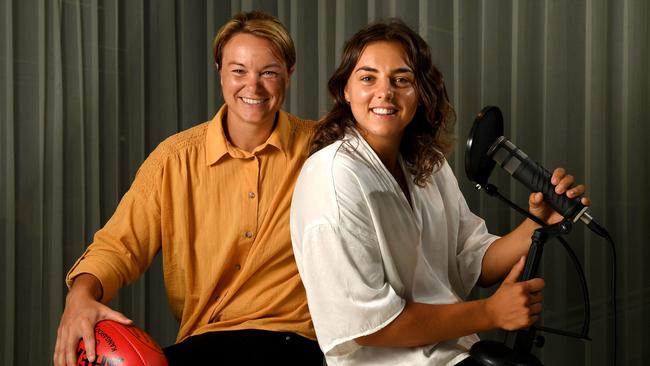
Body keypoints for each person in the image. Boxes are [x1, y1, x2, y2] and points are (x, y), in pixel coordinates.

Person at [290, 19, 590, 366]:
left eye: (401, 80)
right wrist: (490, 313)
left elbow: (472, 262)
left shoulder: (427, 166)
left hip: (456, 353)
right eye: (368, 78)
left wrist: (538, 223)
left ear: (421, 92)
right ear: (345, 90)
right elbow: (367, 325)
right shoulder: (332, 177)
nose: (385, 92)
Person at [54, 11, 323, 366]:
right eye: (238, 70)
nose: (252, 86)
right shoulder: (174, 159)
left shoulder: (323, 150)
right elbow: (118, 247)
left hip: (293, 343)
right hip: (204, 342)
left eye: (268, 72)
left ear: (289, 72)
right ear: (219, 71)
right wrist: (79, 300)